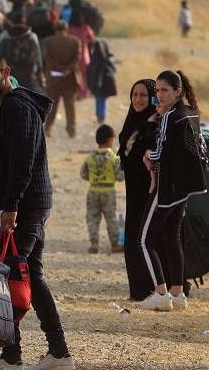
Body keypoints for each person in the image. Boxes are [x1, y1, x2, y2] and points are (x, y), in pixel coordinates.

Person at [0, 50, 74, 370]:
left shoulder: (17, 106)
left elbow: (22, 161)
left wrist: (11, 206)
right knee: (33, 276)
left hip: (25, 206)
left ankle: (11, 358)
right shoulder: (7, 106)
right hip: (28, 204)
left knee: (8, 275)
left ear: (5, 72)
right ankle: (59, 352)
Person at [136, 71, 206, 312]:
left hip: (168, 187)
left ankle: (160, 293)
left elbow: (161, 151)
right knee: (172, 236)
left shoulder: (170, 117)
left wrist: (147, 154)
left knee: (144, 240)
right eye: (157, 90)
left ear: (178, 91)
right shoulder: (191, 113)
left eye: (164, 90)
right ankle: (178, 293)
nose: (160, 95)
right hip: (184, 189)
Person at [118, 80, 158, 300]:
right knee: (133, 237)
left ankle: (156, 288)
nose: (138, 99)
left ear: (152, 97)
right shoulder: (132, 121)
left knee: (149, 238)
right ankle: (139, 290)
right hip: (133, 191)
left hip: (150, 191)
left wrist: (146, 127)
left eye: (143, 95)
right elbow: (126, 151)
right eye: (134, 94)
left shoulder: (156, 123)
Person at [80, 124, 125, 254]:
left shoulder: (89, 158)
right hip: (108, 191)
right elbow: (120, 176)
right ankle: (115, 244)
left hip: (93, 191)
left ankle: (94, 243)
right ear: (110, 140)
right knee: (111, 218)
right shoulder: (113, 158)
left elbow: (83, 174)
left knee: (93, 217)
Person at [42, 21, 81, 138]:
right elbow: (77, 58)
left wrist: (58, 69)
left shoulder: (48, 41)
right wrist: (67, 70)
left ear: (55, 29)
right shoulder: (75, 41)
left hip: (54, 78)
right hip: (70, 78)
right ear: (66, 29)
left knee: (52, 105)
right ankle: (71, 130)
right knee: (70, 105)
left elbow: (47, 59)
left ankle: (48, 128)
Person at [0, 13, 44, 93]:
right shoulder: (32, 36)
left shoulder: (4, 37)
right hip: (29, 74)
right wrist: (40, 71)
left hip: (10, 74)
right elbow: (38, 57)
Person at [86, 39, 117, 124]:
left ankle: (100, 117)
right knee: (102, 100)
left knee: (99, 100)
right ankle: (101, 117)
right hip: (105, 85)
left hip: (97, 85)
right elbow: (114, 70)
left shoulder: (93, 59)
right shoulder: (107, 60)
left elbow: (88, 72)